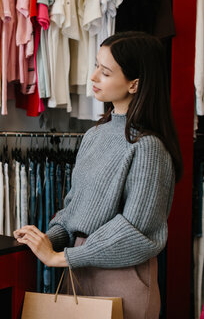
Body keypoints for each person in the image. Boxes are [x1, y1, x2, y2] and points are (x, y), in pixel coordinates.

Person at [14, 31, 182, 319]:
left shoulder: (148, 147)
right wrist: (46, 240)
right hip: (78, 272)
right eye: (96, 66)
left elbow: (137, 232)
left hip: (122, 276)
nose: (93, 77)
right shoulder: (94, 135)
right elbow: (74, 210)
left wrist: (61, 256)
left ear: (134, 83)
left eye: (105, 72)